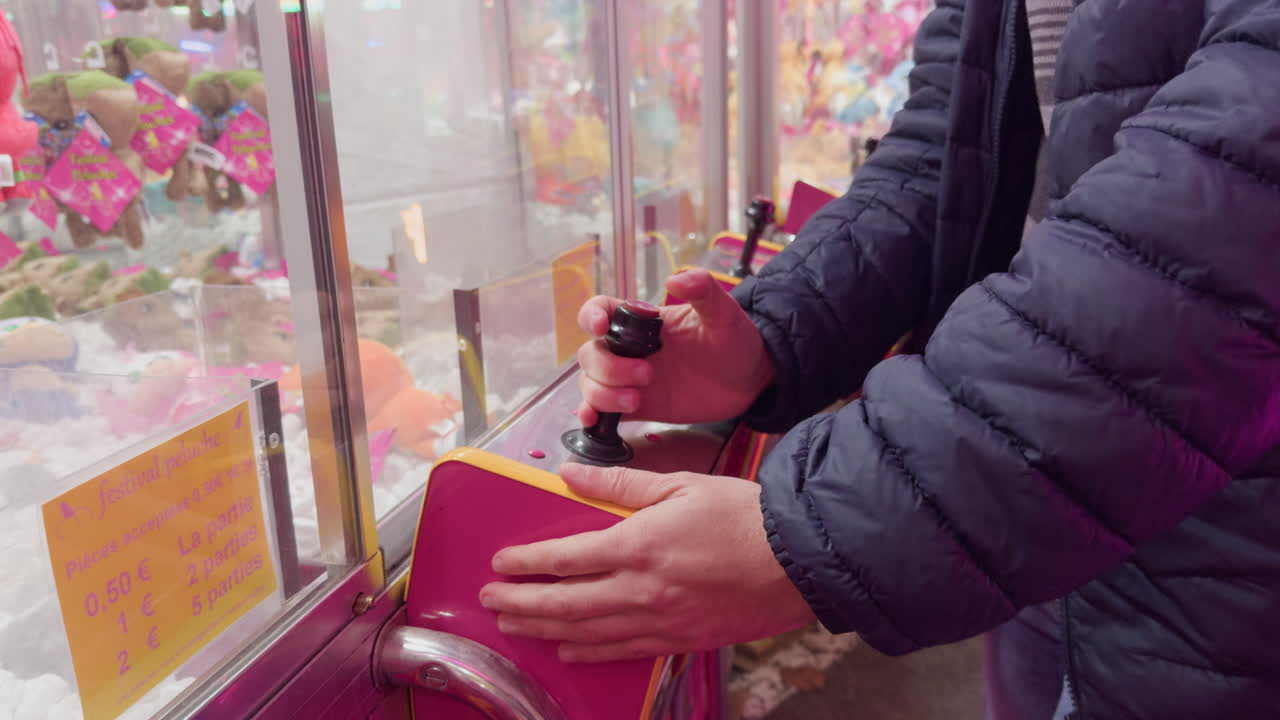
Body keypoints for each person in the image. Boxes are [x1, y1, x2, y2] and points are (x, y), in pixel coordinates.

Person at [480, 0, 1280, 716]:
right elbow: (944, 154)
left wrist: (820, 527)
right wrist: (770, 336)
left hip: (1234, 579)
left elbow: (1221, 220)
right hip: (1042, 518)